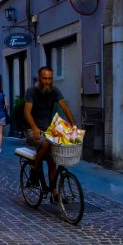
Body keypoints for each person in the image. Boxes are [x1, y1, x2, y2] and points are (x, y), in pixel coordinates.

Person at [24, 66, 77, 203]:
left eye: (50, 79)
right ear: (39, 78)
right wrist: (34, 127)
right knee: (46, 143)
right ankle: (34, 171)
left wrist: (74, 125)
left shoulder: (54, 91)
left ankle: (54, 194)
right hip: (32, 129)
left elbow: (65, 107)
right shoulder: (31, 91)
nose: (47, 81)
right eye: (45, 78)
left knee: (52, 160)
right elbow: (27, 112)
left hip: (48, 130)